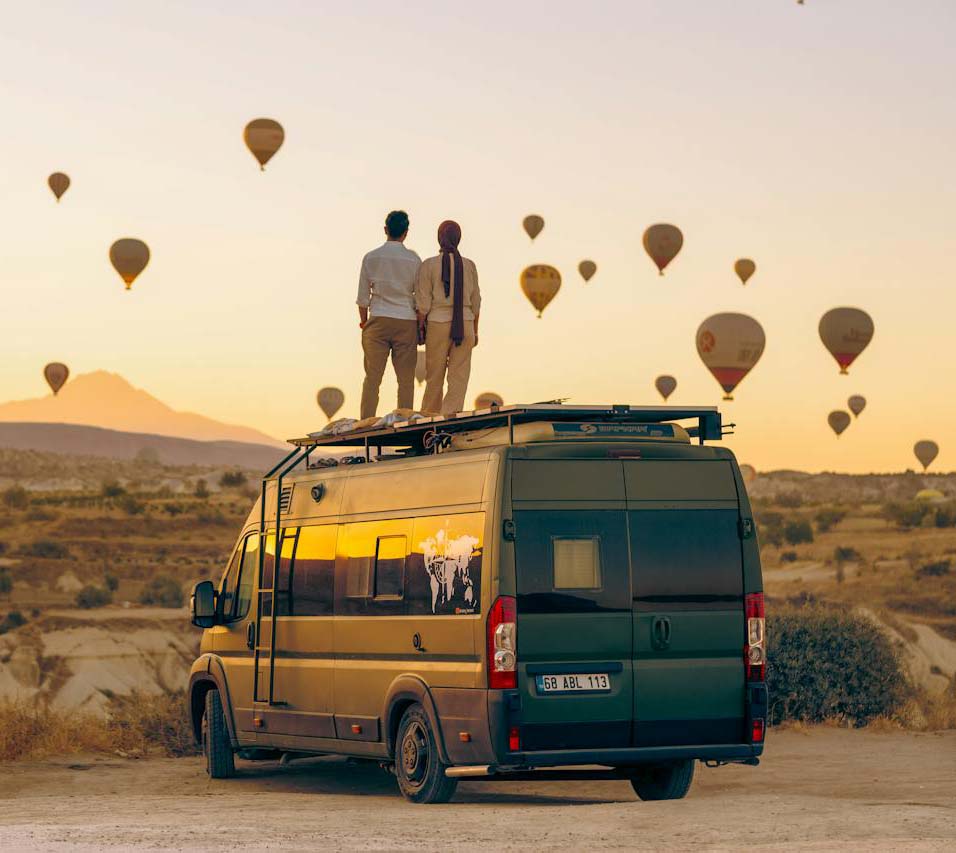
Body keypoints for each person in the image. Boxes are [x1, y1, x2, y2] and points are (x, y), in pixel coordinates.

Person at [356, 210, 421, 419]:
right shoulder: (414, 260)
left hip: (378, 319)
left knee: (372, 378)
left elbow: (363, 297)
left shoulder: (371, 257)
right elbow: (419, 297)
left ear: (385, 229)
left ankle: (367, 420)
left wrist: (364, 322)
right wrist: (420, 325)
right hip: (406, 320)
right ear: (406, 232)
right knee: (406, 380)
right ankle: (404, 419)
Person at [416, 220, 481, 415]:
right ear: (459, 238)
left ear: (439, 238)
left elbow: (423, 304)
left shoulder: (428, 265)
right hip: (465, 325)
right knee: (459, 378)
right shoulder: (469, 265)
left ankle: (430, 417)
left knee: (434, 377)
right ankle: (450, 417)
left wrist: (420, 328)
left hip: (438, 324)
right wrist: (475, 331)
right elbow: (476, 302)